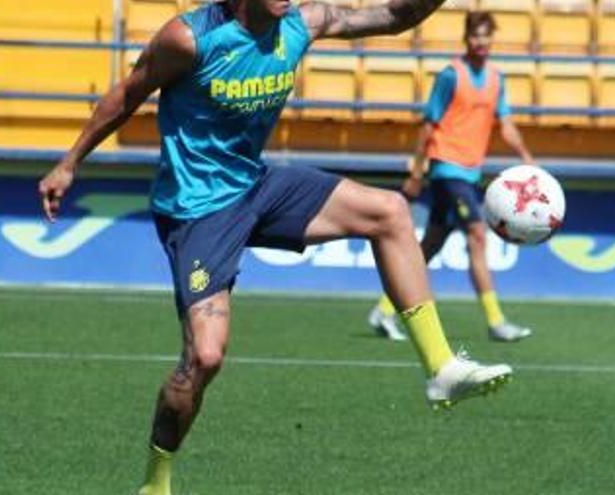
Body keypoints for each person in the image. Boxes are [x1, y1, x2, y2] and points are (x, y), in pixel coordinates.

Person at [38, 1, 513, 493]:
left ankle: (442, 369)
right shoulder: (189, 38)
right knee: (205, 358)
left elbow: (395, 15)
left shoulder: (301, 23)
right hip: (197, 208)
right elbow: (127, 92)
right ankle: (155, 482)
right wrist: (69, 162)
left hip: (256, 186)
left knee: (389, 212)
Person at [368, 10, 536, 344]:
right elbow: (428, 125)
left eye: (487, 36)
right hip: (446, 168)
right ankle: (496, 321)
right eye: (476, 36)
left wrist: (528, 161)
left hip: (470, 172)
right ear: (466, 38)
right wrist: (417, 172)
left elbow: (507, 125)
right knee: (477, 233)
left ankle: (384, 310)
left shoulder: (496, 79)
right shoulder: (450, 75)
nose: (481, 42)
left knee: (429, 245)